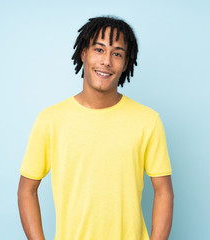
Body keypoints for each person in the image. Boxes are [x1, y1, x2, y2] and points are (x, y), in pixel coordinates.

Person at [17, 16, 174, 240]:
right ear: (83, 54)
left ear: (126, 63)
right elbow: (26, 190)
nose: (106, 61)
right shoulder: (51, 119)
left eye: (117, 53)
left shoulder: (147, 120)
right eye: (99, 50)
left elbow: (164, 191)